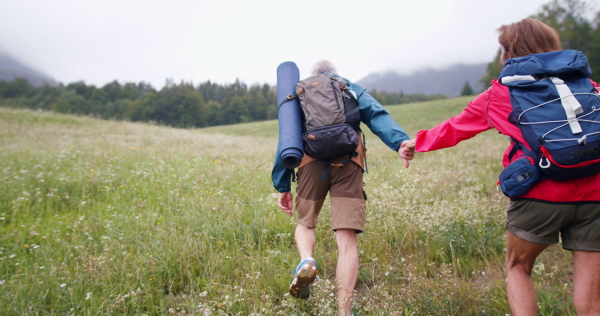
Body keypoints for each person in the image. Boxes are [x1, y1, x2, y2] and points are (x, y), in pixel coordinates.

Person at [400, 18, 600, 316]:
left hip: (540, 195)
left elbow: (457, 127)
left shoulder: (501, 93)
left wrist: (417, 143)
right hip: (594, 194)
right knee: (592, 301)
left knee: (518, 266)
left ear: (509, 52)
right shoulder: (590, 86)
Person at [272, 60, 414, 316]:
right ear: (333, 72)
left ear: (313, 74)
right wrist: (400, 142)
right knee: (346, 239)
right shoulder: (347, 86)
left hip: (310, 163)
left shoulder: (299, 91)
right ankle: (344, 310)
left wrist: (283, 184)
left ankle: (307, 259)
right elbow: (376, 113)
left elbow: (288, 136)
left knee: (305, 224)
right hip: (349, 161)